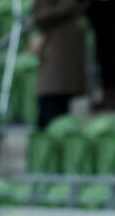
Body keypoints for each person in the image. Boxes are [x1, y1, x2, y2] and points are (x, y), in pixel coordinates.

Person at [30, 0, 86, 130]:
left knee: (55, 112)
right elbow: (39, 16)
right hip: (55, 56)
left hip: (61, 55)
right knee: (49, 113)